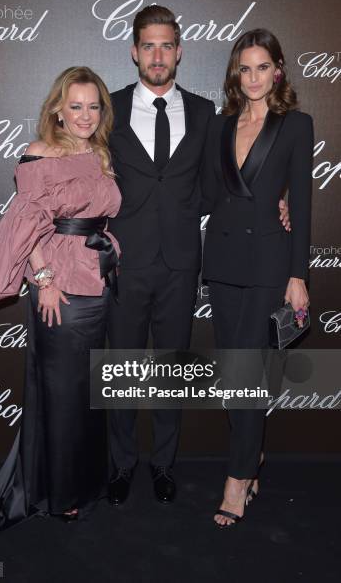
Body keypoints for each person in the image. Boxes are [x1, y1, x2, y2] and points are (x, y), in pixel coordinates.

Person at [106, 7, 290, 506]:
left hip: (182, 264)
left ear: (180, 51)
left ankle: (163, 464)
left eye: (167, 45)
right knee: (121, 369)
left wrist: (277, 197)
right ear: (134, 51)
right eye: (149, 46)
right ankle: (121, 465)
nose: (158, 55)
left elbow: (221, 184)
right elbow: (82, 168)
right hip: (124, 261)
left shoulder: (208, 113)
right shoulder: (110, 107)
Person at [0, 66, 121, 535]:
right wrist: (42, 279)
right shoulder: (38, 152)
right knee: (63, 395)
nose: (85, 115)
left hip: (97, 284)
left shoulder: (100, 152)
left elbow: (99, 217)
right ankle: (58, 492)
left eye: (93, 106)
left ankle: (85, 484)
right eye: (76, 106)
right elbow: (27, 223)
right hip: (59, 286)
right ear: (58, 111)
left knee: (87, 394)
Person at [202, 29, 313, 527]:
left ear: (279, 69)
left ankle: (238, 477)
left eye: (262, 67)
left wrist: (298, 274)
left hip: (269, 265)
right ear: (235, 73)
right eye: (244, 68)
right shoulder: (219, 126)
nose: (253, 77)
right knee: (233, 374)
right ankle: (252, 457)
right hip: (222, 263)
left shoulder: (296, 125)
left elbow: (303, 205)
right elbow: (207, 194)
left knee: (248, 372)